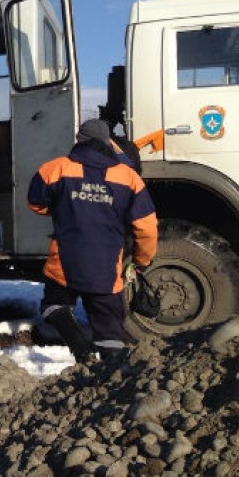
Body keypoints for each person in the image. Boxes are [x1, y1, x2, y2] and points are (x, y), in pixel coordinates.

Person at [27, 118, 158, 364]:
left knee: (54, 306)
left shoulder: (56, 168)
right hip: (107, 267)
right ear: (108, 142)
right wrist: (142, 260)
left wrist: (64, 209)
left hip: (64, 262)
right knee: (111, 333)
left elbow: (35, 202)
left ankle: (81, 349)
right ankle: (111, 376)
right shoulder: (129, 178)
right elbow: (147, 227)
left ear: (80, 139)